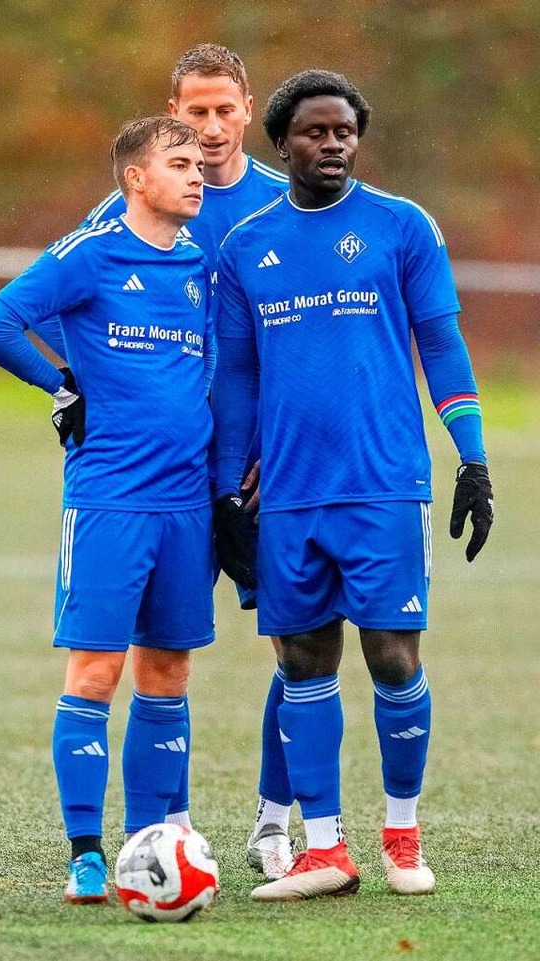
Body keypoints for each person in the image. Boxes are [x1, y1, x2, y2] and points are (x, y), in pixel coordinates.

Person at [212, 69, 494, 901]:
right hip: (288, 495)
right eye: (314, 132)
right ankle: (324, 850)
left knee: (393, 655)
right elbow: (236, 381)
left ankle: (401, 834)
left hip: (383, 485)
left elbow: (441, 346)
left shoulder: (401, 226)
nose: (332, 143)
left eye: (344, 131)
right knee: (302, 660)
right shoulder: (244, 249)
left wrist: (471, 458)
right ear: (282, 143)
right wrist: (229, 491)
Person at [38, 42, 296, 880]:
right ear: (170, 115)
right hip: (146, 475)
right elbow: (51, 300)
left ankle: (274, 821)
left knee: (295, 648)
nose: (211, 129)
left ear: (249, 109)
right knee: (135, 661)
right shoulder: (122, 216)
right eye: (194, 113)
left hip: (254, 470)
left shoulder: (283, 205)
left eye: (226, 110)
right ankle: (164, 830)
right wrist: (65, 383)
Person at [0, 116, 216, 903]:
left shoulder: (201, 263)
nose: (198, 172)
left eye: (200, 163)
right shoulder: (91, 252)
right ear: (136, 180)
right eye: (178, 163)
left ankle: (158, 843)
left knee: (169, 672)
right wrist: (58, 384)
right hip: (110, 498)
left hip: (188, 503)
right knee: (97, 670)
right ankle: (84, 850)